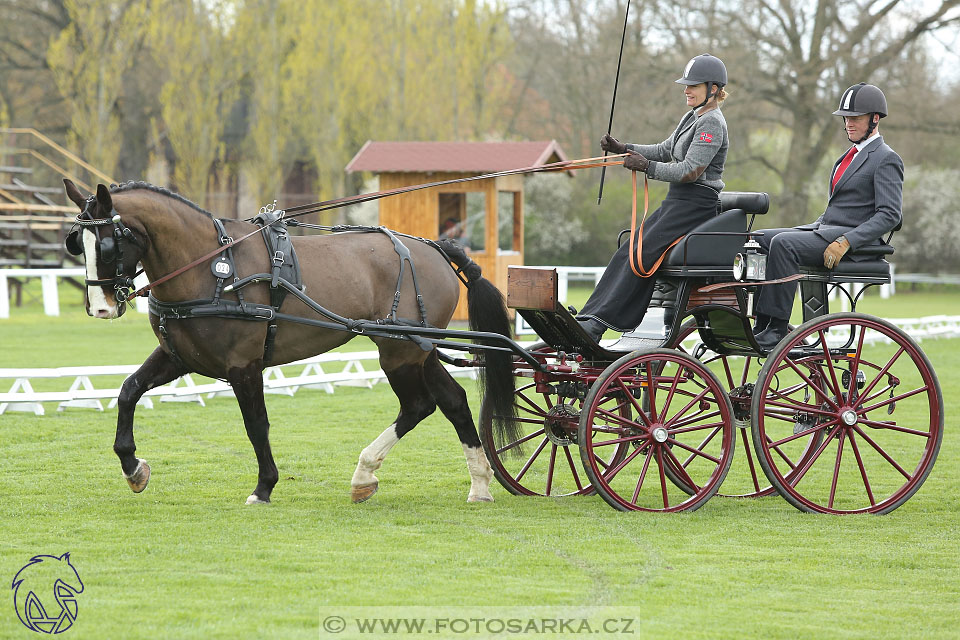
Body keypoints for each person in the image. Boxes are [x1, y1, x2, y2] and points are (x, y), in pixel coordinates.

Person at [577, 53, 729, 342]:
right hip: (678, 203)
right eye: (686, 85)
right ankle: (588, 317)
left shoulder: (712, 124)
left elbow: (690, 171)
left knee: (641, 256)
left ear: (713, 89)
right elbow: (664, 149)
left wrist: (646, 167)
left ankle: (599, 325)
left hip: (696, 205)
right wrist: (624, 147)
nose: (686, 90)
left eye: (693, 85)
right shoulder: (693, 117)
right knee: (627, 249)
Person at [752, 83, 903, 349]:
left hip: (854, 241)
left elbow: (889, 215)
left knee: (784, 244)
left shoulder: (886, 158)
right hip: (827, 229)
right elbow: (838, 206)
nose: (848, 123)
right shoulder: (848, 157)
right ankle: (761, 322)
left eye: (855, 118)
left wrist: (847, 241)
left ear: (875, 118)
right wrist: (813, 227)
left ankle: (776, 329)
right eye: (846, 118)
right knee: (760, 238)